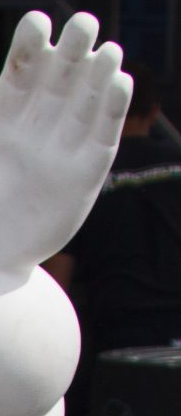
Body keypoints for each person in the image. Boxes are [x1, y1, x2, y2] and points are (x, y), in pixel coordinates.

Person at [46, 58, 181, 360]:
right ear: (154, 112)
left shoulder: (81, 175)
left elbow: (57, 280)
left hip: (118, 334)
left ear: (95, 110)